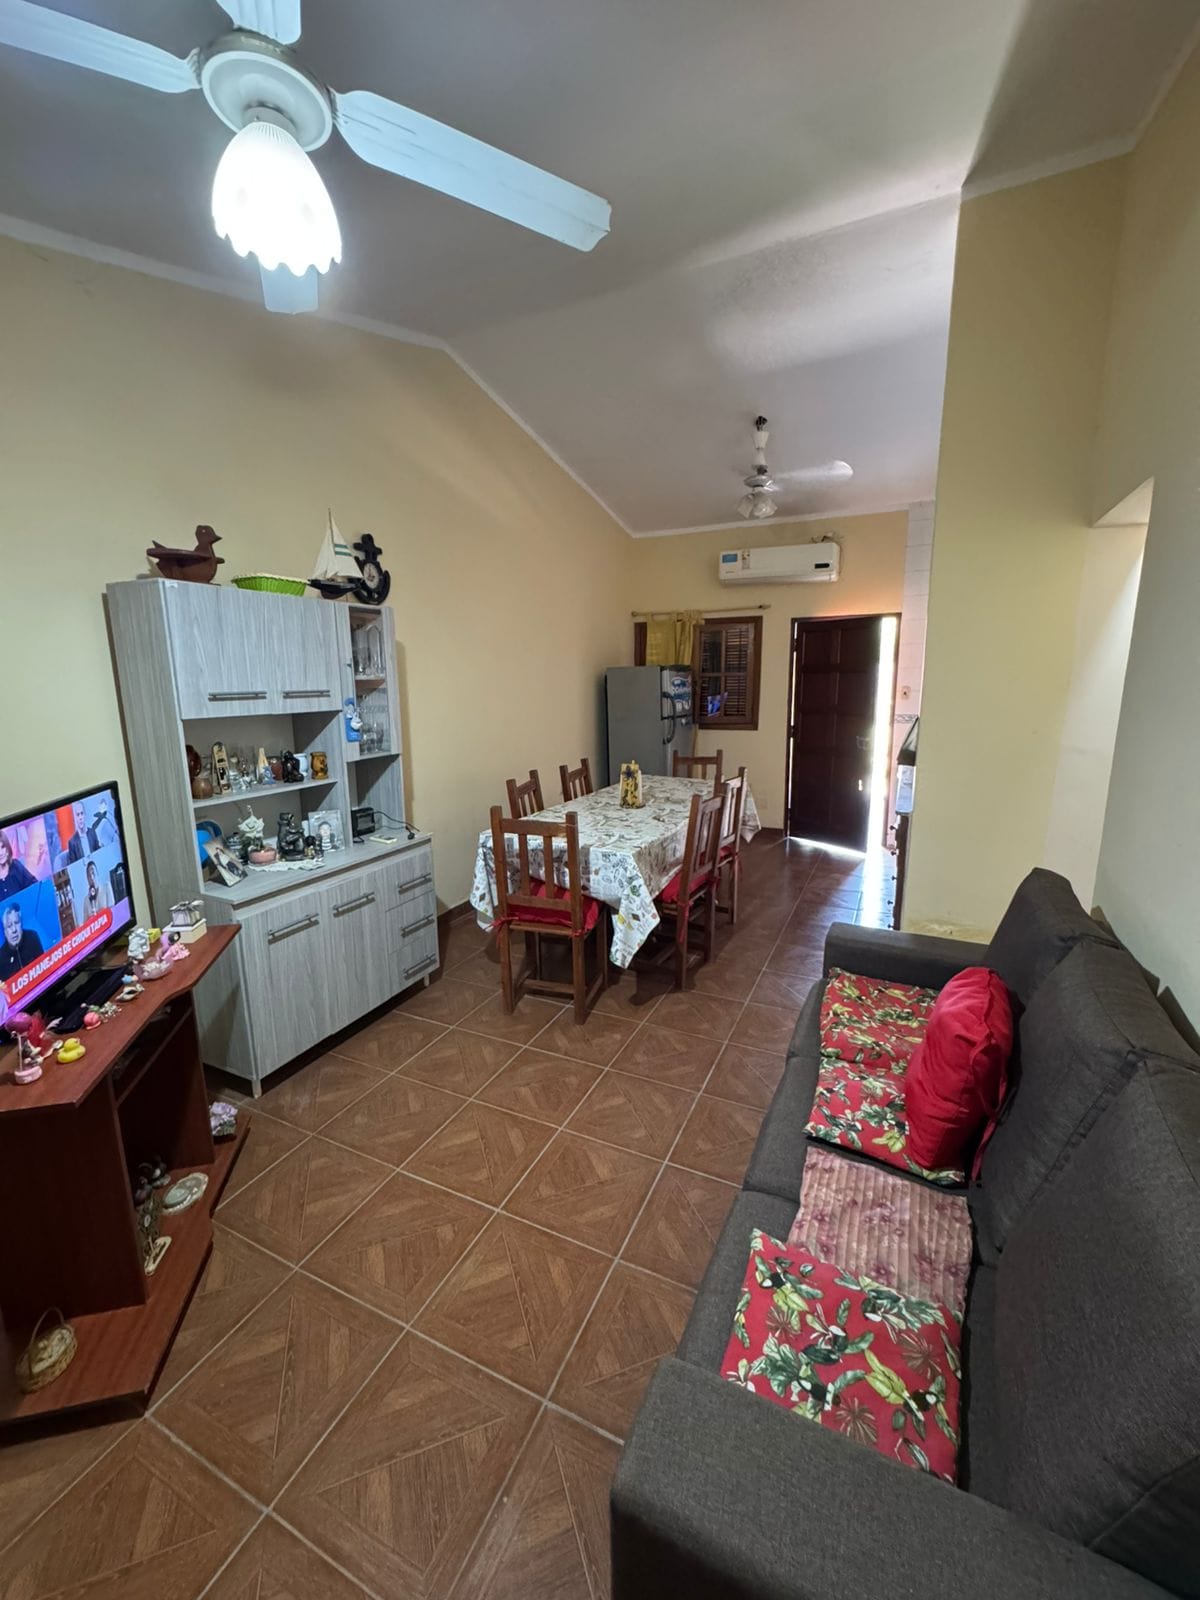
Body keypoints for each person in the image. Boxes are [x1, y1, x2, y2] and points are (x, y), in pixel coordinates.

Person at [0, 903, 43, 979]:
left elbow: (44, 965)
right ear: (5, 932)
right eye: (9, 926)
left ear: (21, 924)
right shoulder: (1, 956)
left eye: (16, 923)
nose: (14, 930)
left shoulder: (32, 937)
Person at [0, 833, 35, 901]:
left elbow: (34, 886)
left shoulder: (15, 866)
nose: (0, 853)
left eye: (3, 847)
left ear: (7, 847)